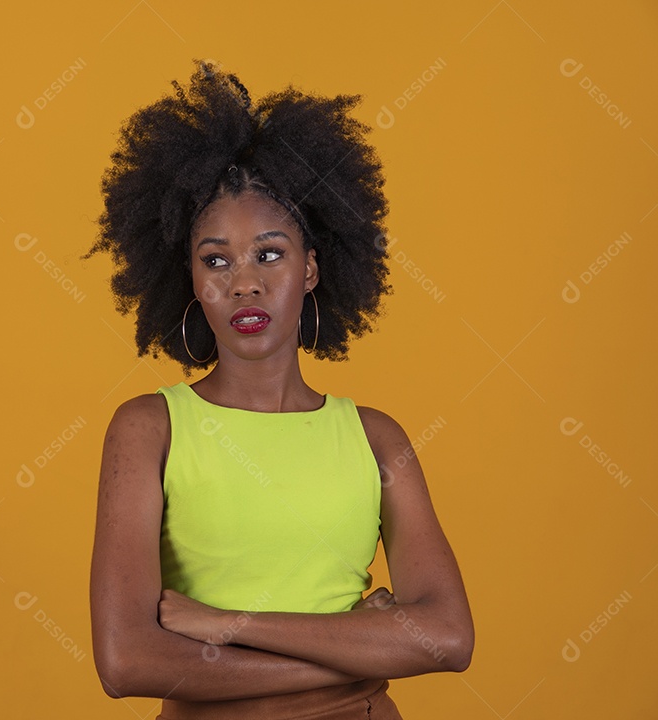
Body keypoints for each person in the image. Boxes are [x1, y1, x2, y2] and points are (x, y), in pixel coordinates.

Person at [86, 60, 473, 719]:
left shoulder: (376, 439)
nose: (245, 283)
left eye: (269, 253)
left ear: (312, 267)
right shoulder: (150, 430)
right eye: (216, 259)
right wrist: (355, 655)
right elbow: (127, 660)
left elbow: (447, 636)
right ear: (188, 277)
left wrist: (228, 624)